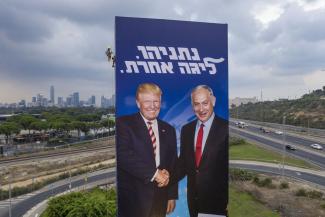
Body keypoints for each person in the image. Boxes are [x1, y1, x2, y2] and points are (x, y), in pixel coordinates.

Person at [116, 83, 178, 217]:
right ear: (138, 103)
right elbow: (123, 156)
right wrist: (156, 174)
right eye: (147, 101)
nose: (152, 106)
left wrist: (171, 195)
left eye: (156, 101)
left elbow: (173, 163)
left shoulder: (169, 129)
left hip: (160, 199)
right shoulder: (123, 124)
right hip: (132, 200)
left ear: (160, 102)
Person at [176, 85, 228, 217]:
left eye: (205, 103)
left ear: (213, 101)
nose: (201, 109)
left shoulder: (226, 129)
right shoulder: (186, 130)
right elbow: (183, 165)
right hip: (194, 202)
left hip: (218, 205)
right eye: (196, 104)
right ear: (192, 106)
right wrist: (164, 176)